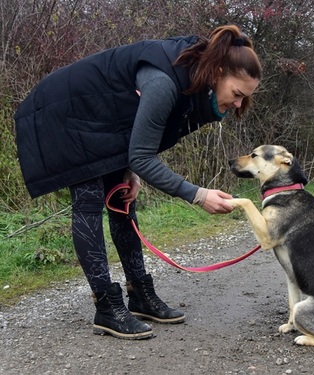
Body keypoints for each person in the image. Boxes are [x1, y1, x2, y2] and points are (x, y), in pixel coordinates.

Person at [14, 24, 262, 340]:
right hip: (64, 113)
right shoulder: (163, 82)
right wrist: (198, 195)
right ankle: (106, 305)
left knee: (122, 199)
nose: (239, 104)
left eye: (245, 98)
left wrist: (130, 172)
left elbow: (141, 141)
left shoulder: (195, 79)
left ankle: (140, 295)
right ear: (219, 71)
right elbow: (143, 155)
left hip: (104, 120)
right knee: (89, 199)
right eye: (237, 94)